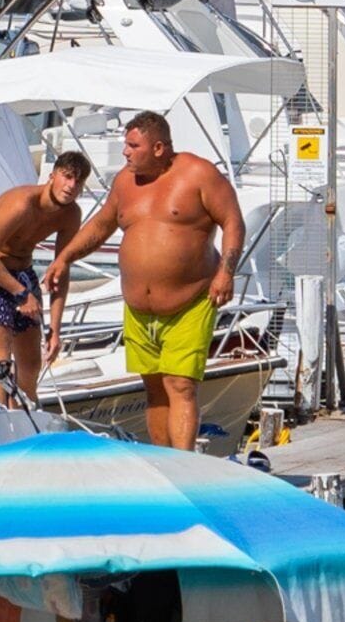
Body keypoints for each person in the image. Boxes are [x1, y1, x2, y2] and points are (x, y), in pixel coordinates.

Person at [52, 110, 244, 450]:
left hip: (190, 301)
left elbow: (232, 221)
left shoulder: (197, 173)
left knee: (180, 385)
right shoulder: (125, 183)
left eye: (132, 145)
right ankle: (162, 461)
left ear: (158, 148)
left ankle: (183, 465)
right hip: (139, 308)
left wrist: (226, 272)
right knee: (153, 389)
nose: (125, 152)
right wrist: (65, 257)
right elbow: (101, 226)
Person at [0, 150, 93, 400]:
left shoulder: (71, 214)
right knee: (0, 365)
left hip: (22, 273)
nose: (71, 186)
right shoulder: (22, 204)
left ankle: (26, 421)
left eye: (78, 181)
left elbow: (61, 270)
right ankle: (1, 424)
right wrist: (21, 294)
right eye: (67, 177)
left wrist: (55, 328)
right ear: (52, 176)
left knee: (31, 364)